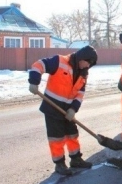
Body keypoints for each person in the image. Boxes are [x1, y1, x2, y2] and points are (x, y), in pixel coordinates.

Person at [28, 45, 98, 176]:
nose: (88, 66)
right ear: (82, 58)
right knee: (56, 137)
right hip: (52, 107)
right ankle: (59, 164)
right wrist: (34, 81)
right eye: (88, 62)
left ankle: (76, 159)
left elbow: (80, 93)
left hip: (67, 110)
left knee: (73, 134)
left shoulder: (83, 74)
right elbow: (39, 64)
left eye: (90, 64)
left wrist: (73, 109)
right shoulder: (59, 61)